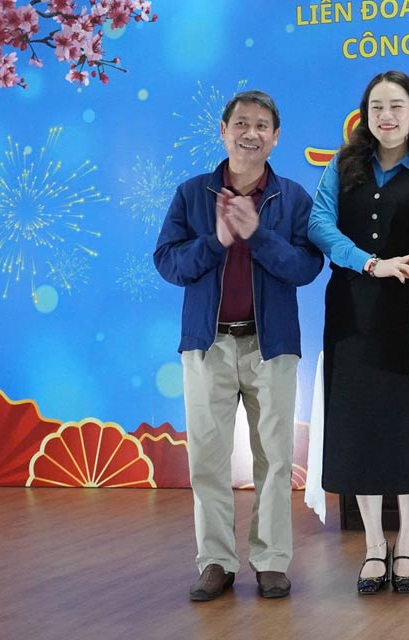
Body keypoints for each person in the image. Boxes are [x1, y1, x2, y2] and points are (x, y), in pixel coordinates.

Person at [154, 89, 324, 602]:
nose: (251, 134)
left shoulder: (291, 197)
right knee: (207, 458)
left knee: (274, 458)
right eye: (242, 124)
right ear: (223, 132)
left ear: (276, 138)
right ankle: (216, 563)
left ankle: (272, 562)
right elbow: (168, 263)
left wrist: (257, 236)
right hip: (206, 345)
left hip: (272, 345)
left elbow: (306, 267)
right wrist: (219, 240)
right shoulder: (191, 194)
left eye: (262, 126)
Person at [307, 70, 409, 595]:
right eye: (377, 106)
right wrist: (368, 263)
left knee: (408, 428)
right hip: (352, 313)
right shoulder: (342, 166)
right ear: (365, 114)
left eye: (397, 107)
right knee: (357, 428)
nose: (386, 116)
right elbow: (320, 225)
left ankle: (405, 543)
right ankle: (372, 547)